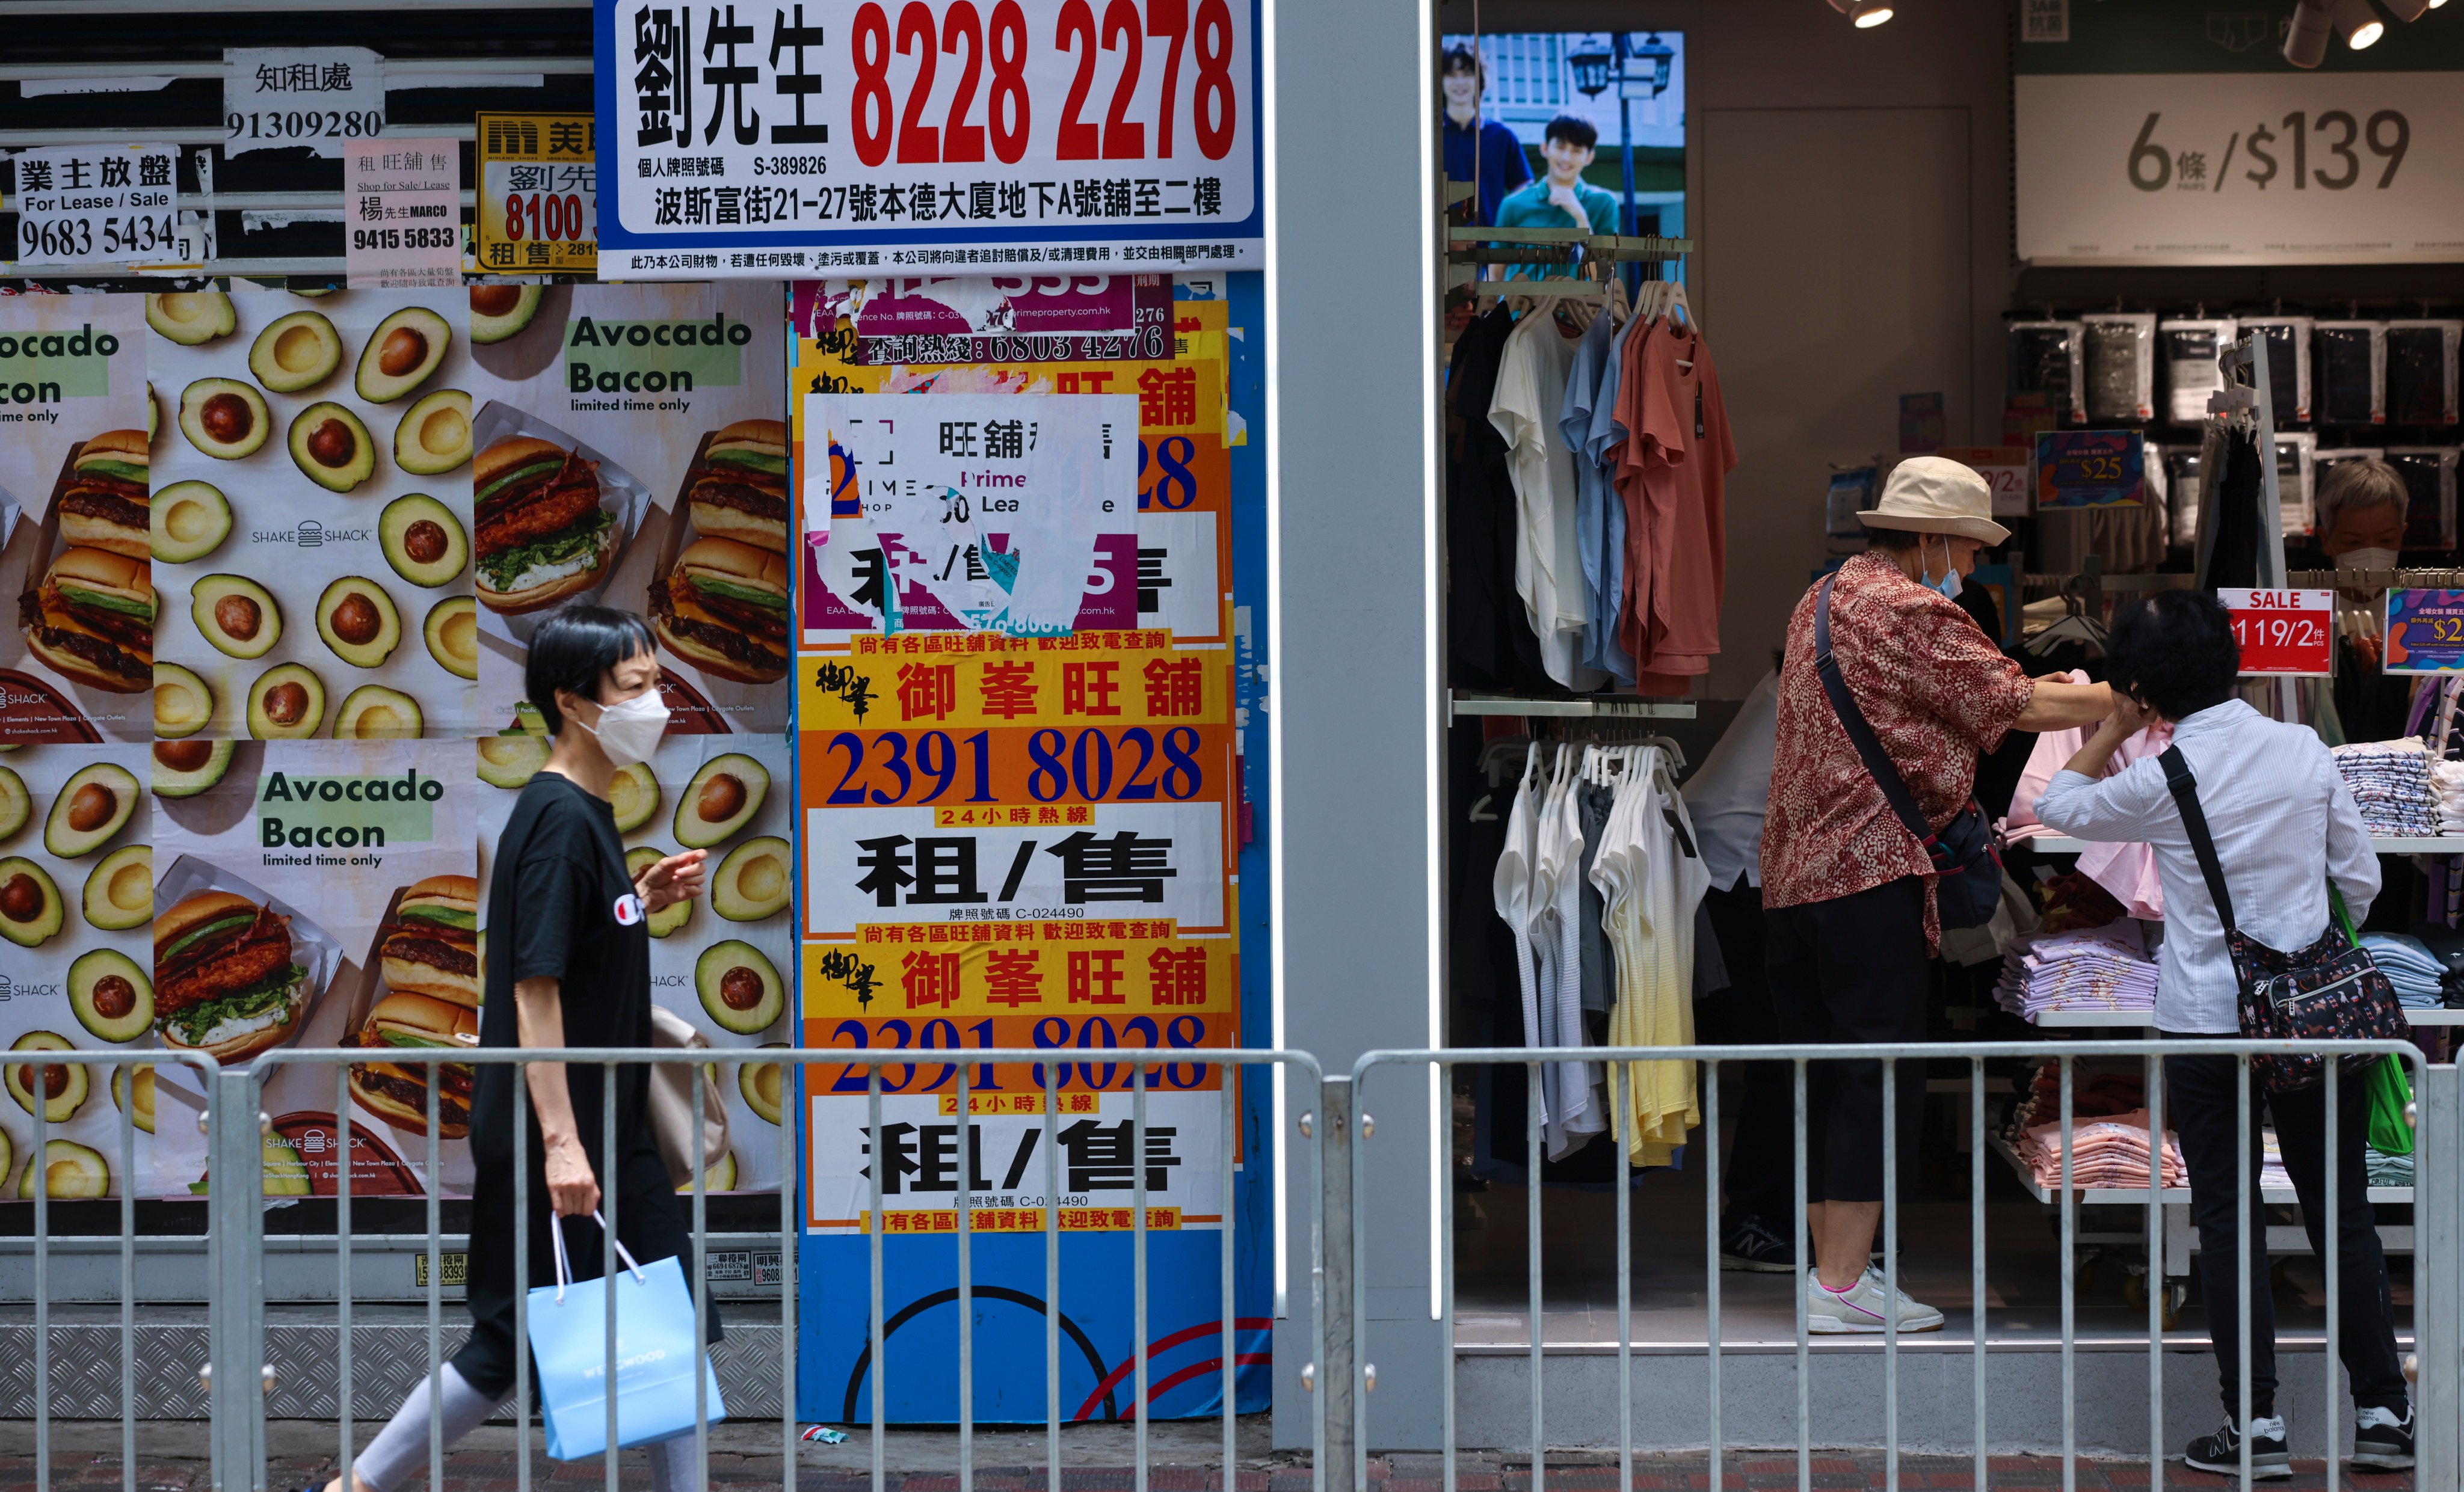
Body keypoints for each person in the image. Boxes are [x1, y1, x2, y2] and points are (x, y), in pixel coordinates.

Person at [320, 606, 713, 1492]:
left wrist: (637, 898)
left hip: (596, 1123)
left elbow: (567, 948)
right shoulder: (562, 822)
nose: (659, 701)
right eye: (637, 686)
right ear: (576, 705)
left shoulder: (583, 814)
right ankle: (354, 1488)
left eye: (655, 680)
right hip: (565, 1130)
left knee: (657, 1319)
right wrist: (564, 1144)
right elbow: (534, 989)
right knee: (509, 1343)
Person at [2035, 589, 2412, 1478]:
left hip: (2206, 1019)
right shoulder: (2303, 750)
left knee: (2226, 1217)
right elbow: (2357, 881)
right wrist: (2304, 951)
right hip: (2317, 1021)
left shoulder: (2161, 778)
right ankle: (2382, 1415)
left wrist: (2112, 719)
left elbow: (2061, 805)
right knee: (2342, 1215)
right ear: (2232, 659)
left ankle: (2259, 1427)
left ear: (2143, 687)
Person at [1761, 457, 2113, 1333]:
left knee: (1825, 1080)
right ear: (1926, 539)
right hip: (1868, 877)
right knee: (1877, 1079)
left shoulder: (1821, 600)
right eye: (1963, 545)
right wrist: (2137, 697)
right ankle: (1841, 1288)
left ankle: (1833, 1277)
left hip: (1793, 881)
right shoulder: (1910, 606)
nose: (1966, 563)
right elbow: (2018, 703)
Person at [1678, 662, 1796, 1271]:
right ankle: (1751, 1221)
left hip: (1728, 871)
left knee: (1775, 1053)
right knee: (1776, 1054)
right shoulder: (1806, 689)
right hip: (1732, 877)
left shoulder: (1787, 681)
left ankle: (1764, 1211)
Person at [2314, 458, 2412, 743]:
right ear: (2325, 539)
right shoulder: (2309, 620)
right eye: (2354, 543)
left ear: (2402, 535)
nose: (2372, 554)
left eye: (2386, 540)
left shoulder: (2424, 616)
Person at [1494, 114, 1621, 268]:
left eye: (1577, 150)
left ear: (1589, 157)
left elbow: (1602, 276)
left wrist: (1580, 218)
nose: (1566, 158)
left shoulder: (1604, 203)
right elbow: (1495, 271)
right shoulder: (1512, 205)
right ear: (1545, 148)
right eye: (1560, 147)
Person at [1440, 43, 1529, 229]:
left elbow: (1522, 195)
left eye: (1467, 75)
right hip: (1436, 251)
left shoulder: (1502, 137)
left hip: (1491, 251)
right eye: (1451, 75)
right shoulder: (1427, 137)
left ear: (1479, 80)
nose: (1459, 83)